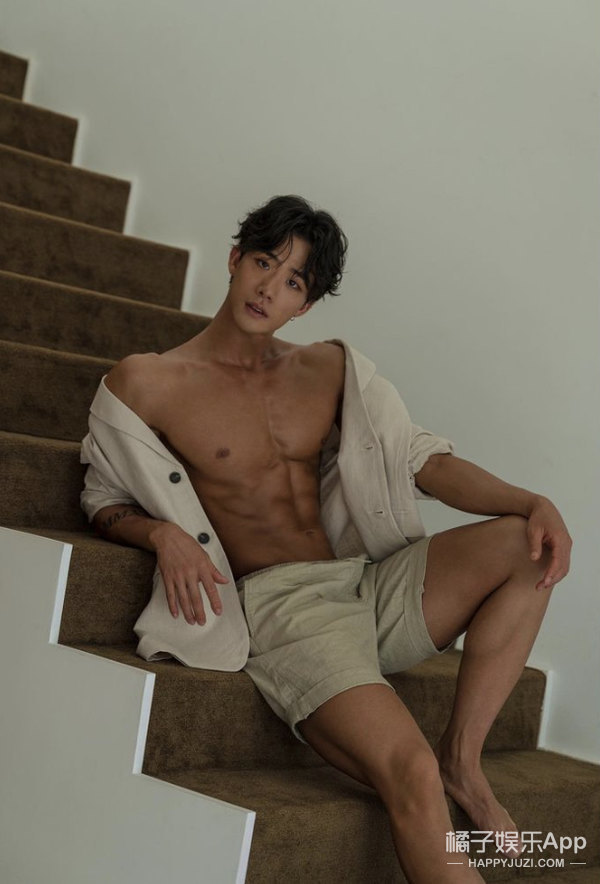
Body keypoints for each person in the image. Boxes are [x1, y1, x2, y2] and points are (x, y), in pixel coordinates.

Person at [80, 194, 571, 883]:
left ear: (305, 305)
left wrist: (534, 502)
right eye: (263, 263)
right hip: (285, 610)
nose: (268, 289)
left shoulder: (328, 371)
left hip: (362, 583)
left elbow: (422, 461)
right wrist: (161, 531)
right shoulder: (148, 382)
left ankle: (464, 760)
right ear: (235, 259)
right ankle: (438, 773)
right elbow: (101, 497)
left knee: (526, 545)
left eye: (292, 282)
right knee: (409, 772)